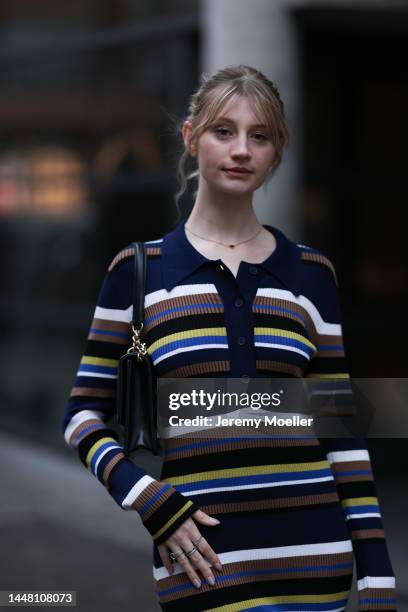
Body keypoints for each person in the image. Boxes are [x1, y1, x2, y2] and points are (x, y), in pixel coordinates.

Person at [63, 65, 396, 611]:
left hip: (316, 563)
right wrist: (147, 498)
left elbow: (342, 435)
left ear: (275, 152)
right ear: (191, 138)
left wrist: (378, 578)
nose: (242, 149)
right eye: (224, 131)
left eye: (259, 136)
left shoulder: (313, 274)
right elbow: (81, 416)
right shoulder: (139, 270)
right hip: (202, 566)